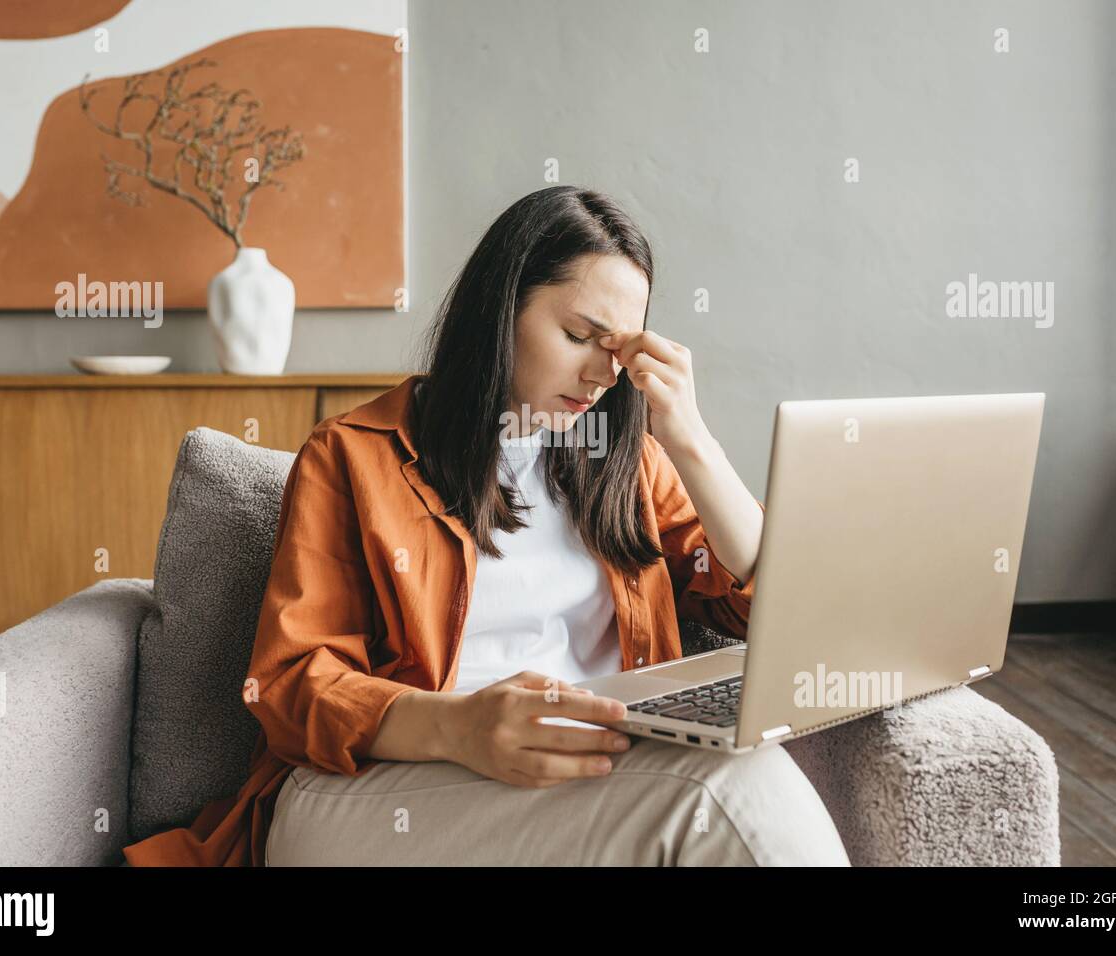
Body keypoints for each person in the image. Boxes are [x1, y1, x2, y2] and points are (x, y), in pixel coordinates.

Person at [123, 185, 851, 866]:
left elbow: (769, 608)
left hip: (589, 782)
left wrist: (689, 437)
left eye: (620, 349)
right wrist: (461, 727)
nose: (602, 375)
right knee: (728, 792)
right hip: (370, 789)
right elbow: (290, 687)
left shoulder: (625, 468)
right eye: (577, 333)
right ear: (500, 311)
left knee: (731, 776)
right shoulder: (353, 456)